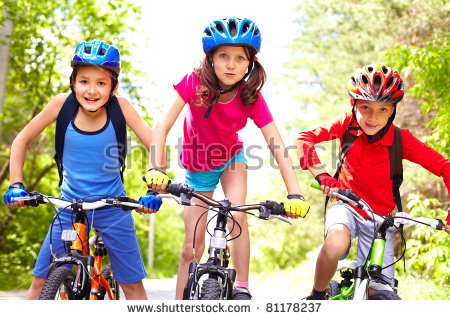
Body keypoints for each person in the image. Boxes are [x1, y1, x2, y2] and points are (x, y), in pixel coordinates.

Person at [144, 17, 311, 300]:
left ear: (250, 63)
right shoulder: (193, 82)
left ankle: (242, 287)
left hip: (231, 159)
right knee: (191, 246)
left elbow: (277, 145)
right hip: (197, 167)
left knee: (237, 215)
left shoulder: (250, 97)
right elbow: (162, 126)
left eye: (239, 58)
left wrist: (294, 193)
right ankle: (179, 305)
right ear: (210, 58)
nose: (231, 65)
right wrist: (154, 169)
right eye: (223, 56)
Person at [3, 40, 162, 300]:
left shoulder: (121, 108)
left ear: (114, 87)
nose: (91, 90)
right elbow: (21, 140)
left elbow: (155, 143)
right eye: (84, 81)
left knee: (132, 286)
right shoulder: (61, 105)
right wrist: (16, 184)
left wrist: (153, 188)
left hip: (112, 207)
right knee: (39, 282)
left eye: (101, 83)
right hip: (69, 206)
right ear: (73, 82)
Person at [295, 64, 450, 299]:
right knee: (335, 244)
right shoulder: (347, 124)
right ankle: (317, 295)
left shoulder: (400, 139)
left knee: (382, 289)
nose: (372, 117)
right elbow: (304, 137)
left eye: (382, 109)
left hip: (381, 221)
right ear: (353, 105)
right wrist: (321, 175)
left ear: (393, 111)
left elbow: (444, 167)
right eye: (365, 107)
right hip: (347, 206)